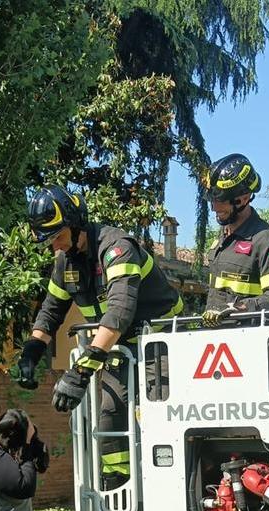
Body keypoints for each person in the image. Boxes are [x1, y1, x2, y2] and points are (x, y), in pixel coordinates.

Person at [15, 185, 182, 484]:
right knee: (110, 413)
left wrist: (79, 373)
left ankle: (168, 485)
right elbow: (51, 312)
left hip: (164, 346)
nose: (55, 247)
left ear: (76, 223)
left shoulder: (117, 248)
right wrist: (32, 352)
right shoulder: (65, 263)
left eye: (58, 237)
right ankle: (118, 487)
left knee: (163, 414)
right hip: (120, 348)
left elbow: (118, 313)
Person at [201, 153, 269, 327]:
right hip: (215, 340)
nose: (214, 207)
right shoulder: (222, 238)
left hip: (247, 340)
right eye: (212, 200)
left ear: (243, 198)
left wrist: (238, 309)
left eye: (220, 200)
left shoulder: (267, 241)